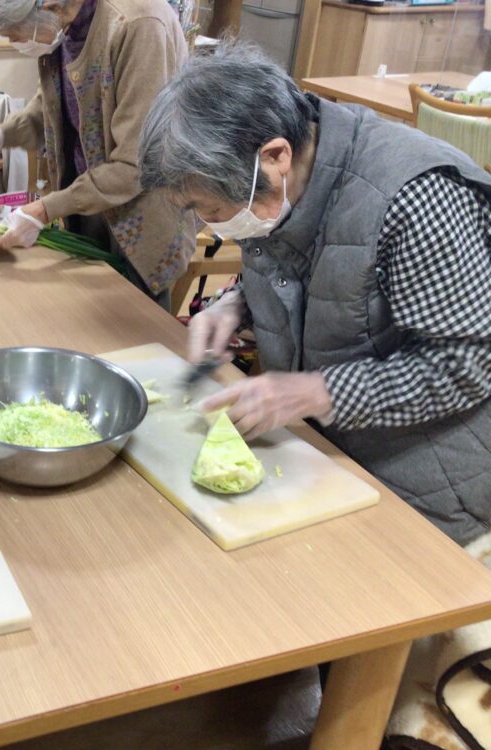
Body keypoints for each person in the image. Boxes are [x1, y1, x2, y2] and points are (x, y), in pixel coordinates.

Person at [137, 43, 491, 546]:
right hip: (327, 444)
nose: (206, 224)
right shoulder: (286, 179)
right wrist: (236, 305)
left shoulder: (416, 198)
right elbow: (316, 264)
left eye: (210, 209)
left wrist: (316, 392)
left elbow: (465, 364)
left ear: (275, 156)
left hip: (429, 473)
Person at [0, 0, 196, 309]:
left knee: (134, 337)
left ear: (49, 5)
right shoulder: (66, 25)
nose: (14, 42)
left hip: (141, 224)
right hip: (87, 207)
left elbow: (135, 164)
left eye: (13, 33)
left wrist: (45, 209)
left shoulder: (139, 24)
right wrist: (1, 134)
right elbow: (54, 106)